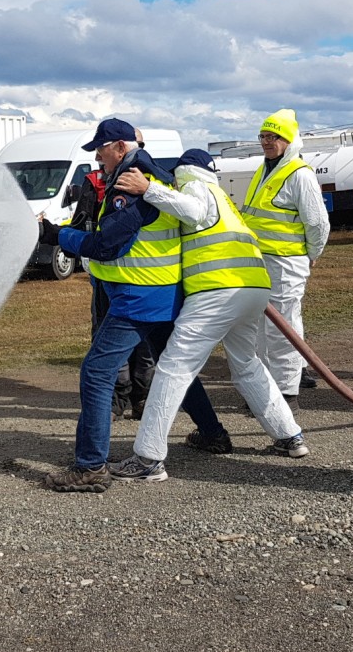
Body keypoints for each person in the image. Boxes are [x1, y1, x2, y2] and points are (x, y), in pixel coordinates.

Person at [37, 118, 230, 493]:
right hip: (162, 294)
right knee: (174, 368)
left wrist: (58, 235)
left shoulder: (132, 182)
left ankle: (90, 466)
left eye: (101, 149)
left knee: (96, 373)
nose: (97, 157)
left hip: (138, 297)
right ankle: (213, 434)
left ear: (120, 147)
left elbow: (106, 245)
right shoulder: (152, 176)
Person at [107, 149, 309, 483]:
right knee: (247, 365)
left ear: (185, 169)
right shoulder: (222, 196)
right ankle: (290, 436)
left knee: (173, 367)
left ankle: (148, 458)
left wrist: (149, 189)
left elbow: (193, 211)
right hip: (253, 288)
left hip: (217, 291)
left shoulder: (194, 186)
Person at [240, 109, 330, 403]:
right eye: (263, 136)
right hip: (261, 262)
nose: (267, 142)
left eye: (274, 136)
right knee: (262, 327)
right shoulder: (265, 170)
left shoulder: (298, 174)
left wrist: (312, 253)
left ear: (289, 140)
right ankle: (271, 387)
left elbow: (317, 223)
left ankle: (286, 392)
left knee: (282, 329)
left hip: (286, 263)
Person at [69, 148, 155, 420]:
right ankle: (116, 401)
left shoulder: (151, 183)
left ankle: (143, 399)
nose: (98, 158)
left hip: (142, 280)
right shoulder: (95, 182)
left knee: (145, 345)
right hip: (107, 277)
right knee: (107, 337)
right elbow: (82, 222)